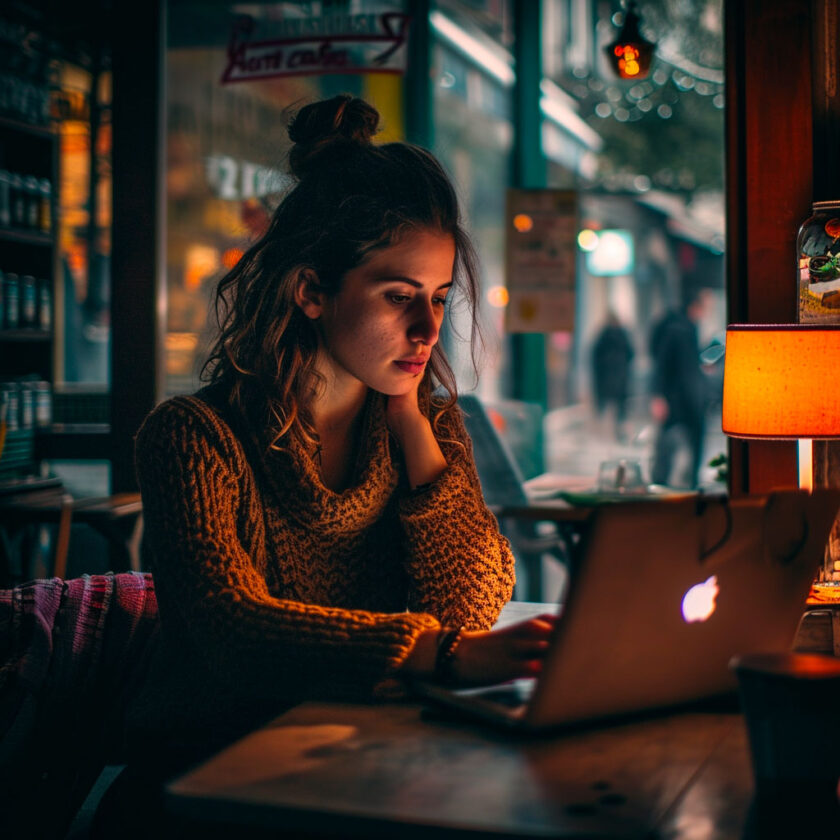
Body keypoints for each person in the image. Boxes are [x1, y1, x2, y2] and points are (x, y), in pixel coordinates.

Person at [101, 95, 555, 836]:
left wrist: (409, 415)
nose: (428, 328)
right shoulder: (193, 437)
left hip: (372, 767)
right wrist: (440, 660)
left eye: (440, 298)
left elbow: (466, 610)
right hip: (210, 786)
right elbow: (233, 631)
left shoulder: (425, 421)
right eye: (399, 296)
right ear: (311, 290)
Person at [649, 285, 710, 488]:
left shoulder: (685, 328)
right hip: (681, 397)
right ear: (694, 307)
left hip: (683, 395)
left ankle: (672, 480)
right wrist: (658, 396)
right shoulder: (680, 330)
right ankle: (670, 481)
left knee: (674, 442)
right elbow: (663, 365)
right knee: (673, 443)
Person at [591, 311, 635, 441]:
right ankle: (618, 431)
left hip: (606, 377)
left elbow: (595, 356)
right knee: (620, 407)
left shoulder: (603, 336)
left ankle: (603, 432)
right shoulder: (623, 335)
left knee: (604, 405)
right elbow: (631, 353)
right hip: (620, 376)